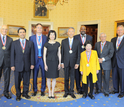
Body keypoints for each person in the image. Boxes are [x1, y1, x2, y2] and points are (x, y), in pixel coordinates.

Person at [11, 28, 35, 101]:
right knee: (17, 81)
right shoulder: (14, 43)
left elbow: (32, 54)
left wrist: (32, 63)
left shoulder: (30, 43)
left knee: (26, 81)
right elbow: (12, 55)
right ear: (18, 34)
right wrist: (12, 65)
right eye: (20, 32)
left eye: (23, 32)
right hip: (17, 66)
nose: (22, 33)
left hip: (27, 65)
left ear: (25, 33)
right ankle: (18, 94)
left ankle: (25, 93)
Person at [61, 27, 80, 98]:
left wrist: (77, 63)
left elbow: (78, 53)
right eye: (69, 31)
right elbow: (62, 52)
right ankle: (66, 91)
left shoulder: (77, 41)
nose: (71, 33)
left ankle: (71, 91)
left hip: (74, 63)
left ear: (74, 33)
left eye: (72, 31)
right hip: (65, 62)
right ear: (67, 33)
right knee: (66, 77)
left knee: (72, 78)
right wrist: (62, 62)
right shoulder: (63, 41)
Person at [29, 23, 47, 96]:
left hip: (43, 59)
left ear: (42, 29)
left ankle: (43, 90)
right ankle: (35, 90)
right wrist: (31, 61)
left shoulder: (45, 37)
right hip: (35, 60)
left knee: (43, 75)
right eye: (38, 27)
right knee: (34, 75)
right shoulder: (31, 38)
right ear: (35, 29)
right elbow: (30, 50)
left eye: (40, 28)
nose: (39, 29)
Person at [94, 33, 114, 97]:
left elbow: (111, 54)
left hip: (106, 63)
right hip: (98, 63)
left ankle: (106, 91)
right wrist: (98, 59)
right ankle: (98, 89)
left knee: (106, 78)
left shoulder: (110, 44)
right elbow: (95, 52)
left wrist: (102, 59)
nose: (103, 38)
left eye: (104, 36)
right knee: (98, 77)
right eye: (101, 37)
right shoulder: (97, 44)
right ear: (99, 38)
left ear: (106, 37)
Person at [74, 25, 93, 94]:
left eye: (84, 29)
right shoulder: (75, 37)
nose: (83, 30)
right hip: (77, 58)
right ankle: (78, 88)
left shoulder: (90, 37)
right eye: (81, 29)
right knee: (77, 74)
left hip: (86, 58)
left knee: (85, 73)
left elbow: (91, 48)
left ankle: (84, 88)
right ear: (79, 30)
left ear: (86, 30)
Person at [43, 30, 61, 98]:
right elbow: (44, 55)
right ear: (49, 36)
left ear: (55, 36)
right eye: (51, 34)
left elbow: (59, 54)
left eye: (53, 34)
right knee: (48, 78)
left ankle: (52, 92)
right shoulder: (46, 44)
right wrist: (45, 64)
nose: (52, 36)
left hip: (55, 62)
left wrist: (59, 63)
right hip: (48, 62)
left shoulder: (58, 44)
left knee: (54, 78)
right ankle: (49, 92)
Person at [111, 25, 124, 98]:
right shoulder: (113, 39)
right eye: (118, 30)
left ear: (123, 31)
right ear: (116, 31)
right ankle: (116, 89)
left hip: (122, 62)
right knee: (115, 76)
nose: (119, 31)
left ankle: (122, 92)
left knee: (122, 78)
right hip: (114, 61)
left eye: (121, 30)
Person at [0, 25, 13, 99]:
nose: (4, 30)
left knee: (7, 78)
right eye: (3, 29)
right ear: (0, 30)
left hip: (7, 62)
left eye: (6, 29)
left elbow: (11, 52)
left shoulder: (10, 39)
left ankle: (6, 92)